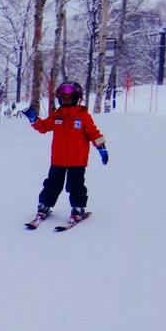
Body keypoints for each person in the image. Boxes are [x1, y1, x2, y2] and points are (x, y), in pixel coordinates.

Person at [23, 81, 108, 225]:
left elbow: (94, 133)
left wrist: (102, 148)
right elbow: (43, 127)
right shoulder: (56, 116)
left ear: (76, 99)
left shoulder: (83, 117)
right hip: (58, 159)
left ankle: (78, 208)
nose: (65, 102)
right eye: (63, 99)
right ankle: (44, 205)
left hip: (77, 160)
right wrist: (34, 120)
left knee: (76, 186)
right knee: (52, 184)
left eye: (68, 99)